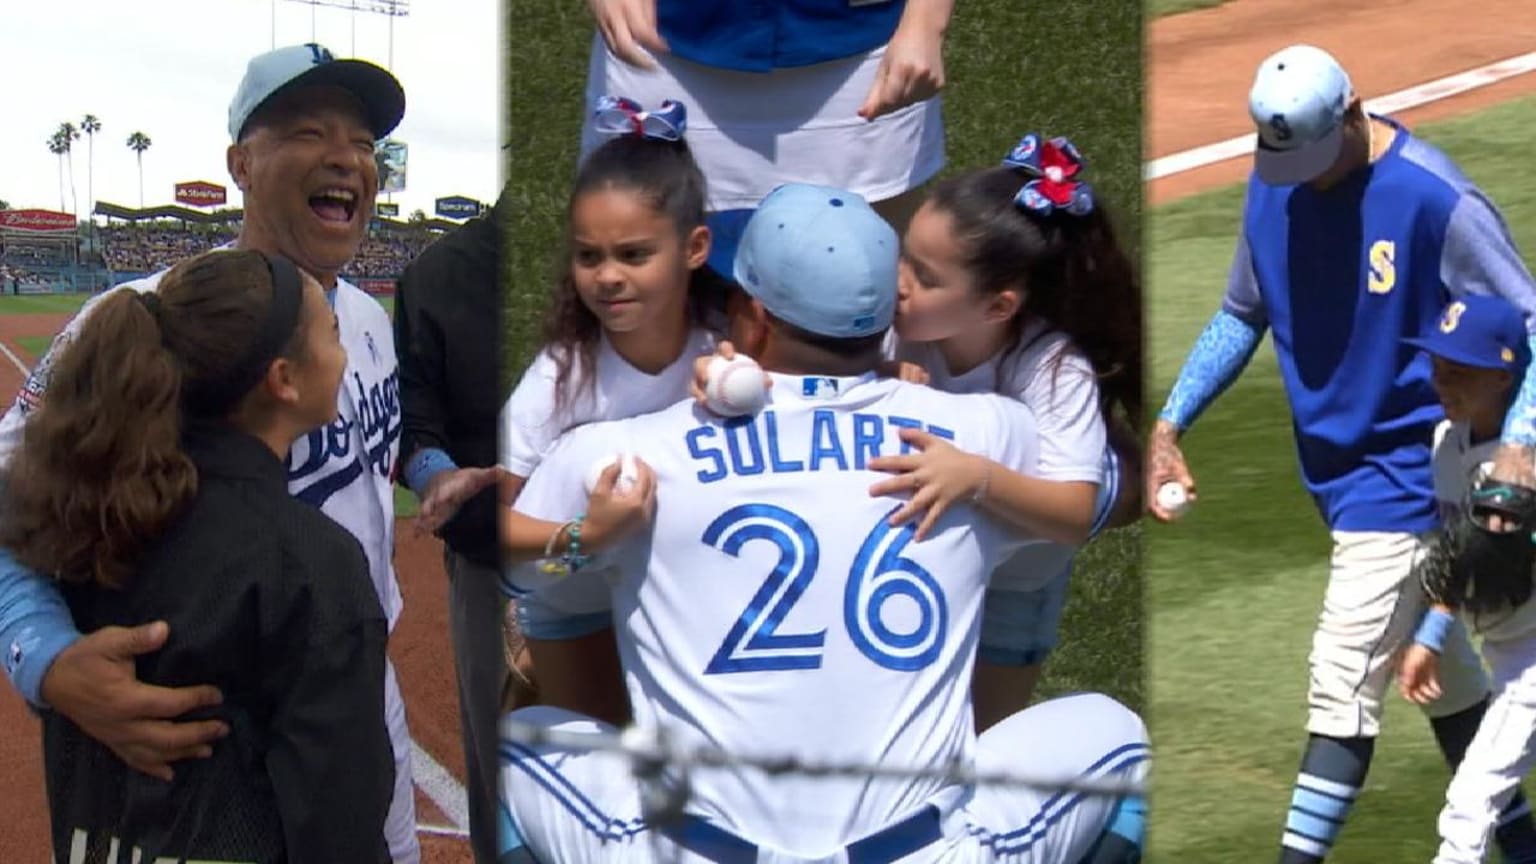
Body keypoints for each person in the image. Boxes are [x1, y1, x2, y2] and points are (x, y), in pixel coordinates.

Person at [497, 183, 1149, 863]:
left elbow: (517, 568)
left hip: (695, 851)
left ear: (752, 318)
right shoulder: (990, 434)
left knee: (519, 743)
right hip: (925, 853)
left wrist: (582, 543)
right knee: (1117, 738)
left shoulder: (616, 458)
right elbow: (1107, 490)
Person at [0, 43, 421, 863]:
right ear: (241, 162)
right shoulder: (146, 317)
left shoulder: (366, 322)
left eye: (364, 143)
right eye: (308, 131)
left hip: (356, 677)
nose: (346, 158)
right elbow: (9, 488)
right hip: (207, 720)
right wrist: (43, 656)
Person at [1145, 43, 1536, 864]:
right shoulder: (1277, 179)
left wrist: (1519, 447)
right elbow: (1239, 314)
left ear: (1355, 109)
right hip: (1334, 474)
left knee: (1341, 684)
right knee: (1453, 697)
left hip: (1405, 475)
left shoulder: (1436, 201)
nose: (1309, 178)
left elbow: (1530, 324)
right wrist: (1171, 423)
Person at [1, 250, 394, 863]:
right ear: (284, 380)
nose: (344, 357)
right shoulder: (314, 566)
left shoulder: (82, 522)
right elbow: (339, 831)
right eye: (333, 337)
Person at [497, 97, 729, 726]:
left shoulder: (730, 341)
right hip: (576, 592)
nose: (607, 277)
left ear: (695, 247)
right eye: (588, 256)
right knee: (601, 748)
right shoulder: (556, 381)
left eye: (633, 254)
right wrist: (585, 536)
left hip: (686, 583)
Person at [579, 0, 954, 273]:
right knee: (641, 303)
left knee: (858, 302)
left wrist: (926, 19)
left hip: (862, 47)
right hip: (657, 39)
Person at [1394, 295, 1536, 864]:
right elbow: (1455, 556)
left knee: (1470, 802)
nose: (1442, 382)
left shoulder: (1522, 461)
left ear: (1503, 377)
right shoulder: (1444, 447)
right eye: (1437, 368)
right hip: (1507, 653)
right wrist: (1430, 636)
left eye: (1459, 372)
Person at [393, 185, 508, 864]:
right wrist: (434, 472)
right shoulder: (440, 274)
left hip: (640, 563)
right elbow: (412, 412)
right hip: (499, 565)